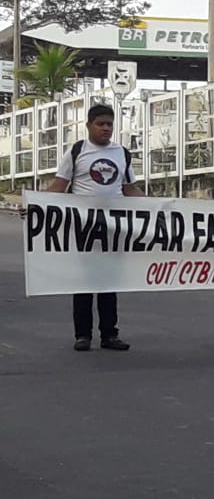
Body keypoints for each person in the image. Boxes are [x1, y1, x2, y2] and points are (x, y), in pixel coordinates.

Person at [49, 104, 144, 351]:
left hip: (114, 229)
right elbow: (59, 186)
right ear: (89, 125)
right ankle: (83, 335)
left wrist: (160, 208)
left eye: (109, 124)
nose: (105, 128)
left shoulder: (122, 154)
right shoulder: (77, 151)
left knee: (108, 283)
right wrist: (34, 205)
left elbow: (130, 189)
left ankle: (109, 334)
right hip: (84, 228)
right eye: (100, 124)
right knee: (83, 283)